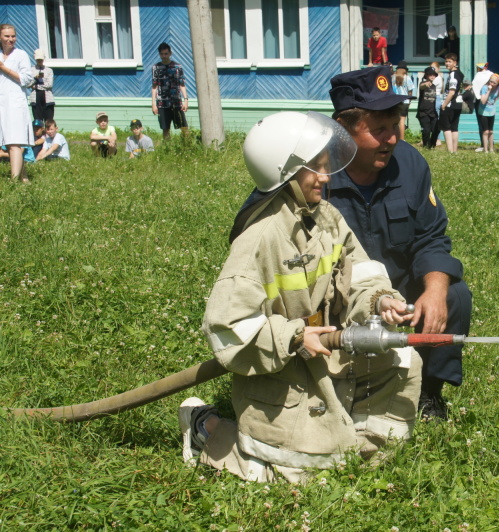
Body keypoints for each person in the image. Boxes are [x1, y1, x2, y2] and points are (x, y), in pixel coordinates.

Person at [181, 111, 420, 484]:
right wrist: (293, 336)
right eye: (317, 169)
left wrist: (379, 300)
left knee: (404, 359)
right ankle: (204, 428)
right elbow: (227, 325)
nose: (326, 177)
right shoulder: (259, 239)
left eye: (326, 166)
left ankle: (351, 445)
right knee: (300, 475)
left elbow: (358, 271)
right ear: (285, 172)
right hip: (283, 371)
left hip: (327, 354)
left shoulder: (325, 217)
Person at [325, 66, 472, 420]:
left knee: (454, 294)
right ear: (343, 130)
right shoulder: (315, 171)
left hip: (401, 293)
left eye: (396, 125)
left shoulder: (409, 163)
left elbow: (432, 238)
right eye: (378, 130)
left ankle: (427, 393)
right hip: (334, 298)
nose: (392, 139)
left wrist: (434, 292)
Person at [0, 24, 35, 182]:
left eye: (13, 36)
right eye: (7, 36)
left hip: (15, 103)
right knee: (8, 143)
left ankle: (13, 182)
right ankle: (24, 178)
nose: (10, 39)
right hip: (2, 103)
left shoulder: (21, 55)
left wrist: (4, 68)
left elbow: (27, 80)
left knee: (14, 142)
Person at [151, 42, 189, 140]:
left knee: (184, 127)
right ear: (159, 54)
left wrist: (186, 100)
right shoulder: (156, 68)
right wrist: (153, 104)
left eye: (166, 54)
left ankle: (187, 147)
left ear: (170, 53)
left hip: (176, 102)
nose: (164, 56)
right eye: (162, 54)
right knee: (165, 129)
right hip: (162, 103)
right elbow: (154, 86)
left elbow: (182, 84)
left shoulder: (177, 67)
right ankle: (167, 149)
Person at [439, 53, 464, 153]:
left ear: (455, 63)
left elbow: (452, 91)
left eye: (449, 62)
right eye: (446, 61)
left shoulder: (453, 74)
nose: (447, 64)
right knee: (454, 128)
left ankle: (450, 150)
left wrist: (444, 104)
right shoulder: (460, 73)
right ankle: (455, 150)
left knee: (447, 127)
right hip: (458, 103)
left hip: (450, 103)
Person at [476, 73, 499, 153]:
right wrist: (489, 90)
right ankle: (486, 149)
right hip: (483, 111)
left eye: (494, 83)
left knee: (491, 131)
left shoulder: (498, 88)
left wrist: (497, 97)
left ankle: (491, 148)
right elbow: (483, 101)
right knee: (486, 131)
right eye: (491, 82)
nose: (492, 84)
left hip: (492, 111)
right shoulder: (484, 88)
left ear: (497, 83)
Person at [28, 49, 55, 122]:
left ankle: (48, 133)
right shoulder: (31, 70)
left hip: (47, 97)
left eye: (41, 59)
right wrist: (35, 79)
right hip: (35, 97)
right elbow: (28, 84)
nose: (39, 61)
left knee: (49, 120)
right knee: (38, 121)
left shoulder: (49, 70)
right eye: (38, 60)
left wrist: (36, 86)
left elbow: (49, 84)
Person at [417, 67, 440, 149]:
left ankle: (432, 145)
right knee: (426, 130)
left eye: (434, 74)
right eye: (430, 74)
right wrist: (425, 84)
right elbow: (421, 87)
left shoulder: (434, 86)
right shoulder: (422, 83)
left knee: (436, 129)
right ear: (426, 75)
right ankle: (426, 146)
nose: (432, 76)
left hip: (433, 112)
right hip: (423, 112)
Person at [392, 61, 415, 141]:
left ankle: (395, 137)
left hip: (395, 101)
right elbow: (410, 90)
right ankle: (402, 139)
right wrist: (409, 101)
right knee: (402, 120)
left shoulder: (393, 77)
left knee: (395, 120)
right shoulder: (407, 78)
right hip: (405, 101)